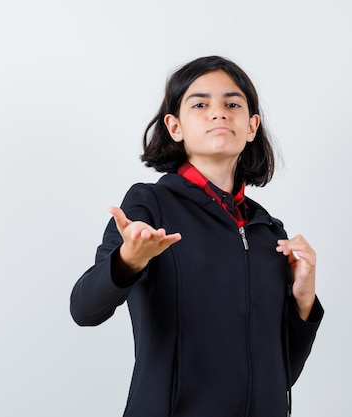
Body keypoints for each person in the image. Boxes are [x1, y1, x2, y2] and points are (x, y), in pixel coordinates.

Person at [70, 55, 324, 417]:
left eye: (232, 104)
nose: (218, 113)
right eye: (200, 104)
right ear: (175, 126)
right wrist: (129, 261)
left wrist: (303, 301)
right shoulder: (149, 205)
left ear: (251, 126)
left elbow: (279, 375)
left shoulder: (269, 232)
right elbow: (83, 309)